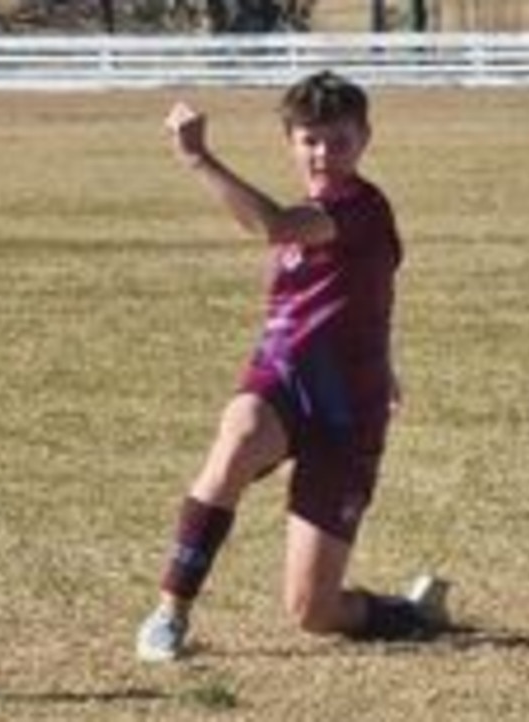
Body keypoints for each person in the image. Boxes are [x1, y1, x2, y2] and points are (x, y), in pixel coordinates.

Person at [136, 70, 449, 662]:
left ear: (364, 139)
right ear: (290, 141)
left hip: (348, 410)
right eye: (309, 140)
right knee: (239, 436)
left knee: (313, 612)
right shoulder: (317, 208)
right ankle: (169, 613)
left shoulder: (362, 207)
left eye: (338, 140)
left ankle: (406, 614)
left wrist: (198, 159)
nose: (324, 154)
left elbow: (276, 225)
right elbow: (357, 292)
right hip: (282, 376)